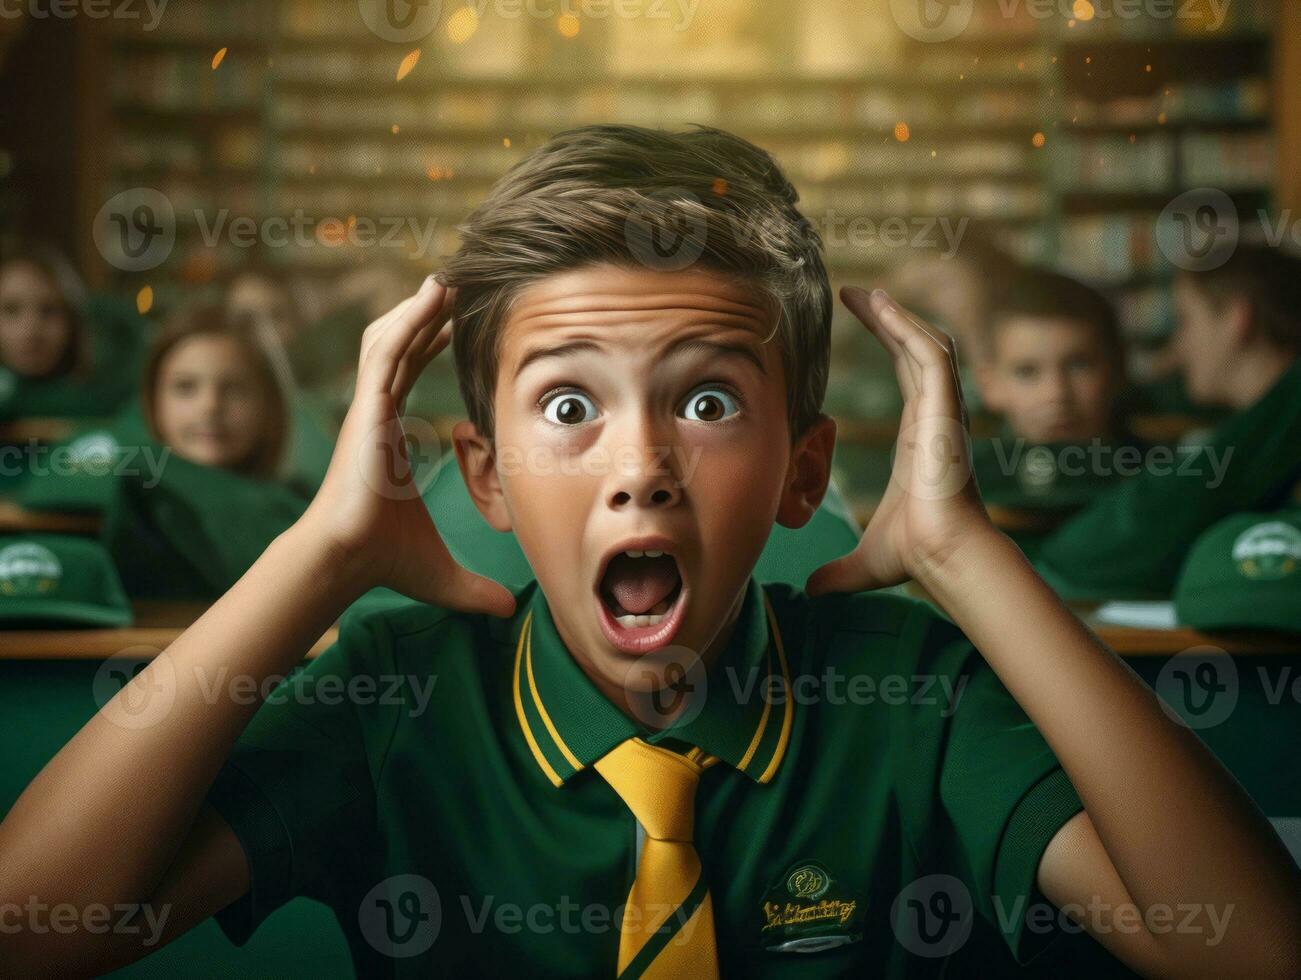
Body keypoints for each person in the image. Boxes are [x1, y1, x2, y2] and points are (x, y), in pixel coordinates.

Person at [0, 126, 1296, 978]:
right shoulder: (401, 700)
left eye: (709, 400)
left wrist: (966, 555)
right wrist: (320, 554)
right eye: (569, 407)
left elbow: (1252, 948)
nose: (640, 466)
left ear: (801, 474)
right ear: (486, 475)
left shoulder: (903, 693)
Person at [1033, 244, 1301, 596]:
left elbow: (1101, 548)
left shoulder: (1274, 426)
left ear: (1237, 317)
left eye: (1185, 321)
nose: (1178, 348)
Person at [972, 267, 1148, 521]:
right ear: (990, 385)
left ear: (1118, 369)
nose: (1056, 394)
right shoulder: (962, 483)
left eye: (1079, 365)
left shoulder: (1157, 477)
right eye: (1027, 371)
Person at [0, 243, 147, 420]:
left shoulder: (119, 400)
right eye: (10, 310)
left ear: (74, 321)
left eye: (49, 311)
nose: (30, 331)